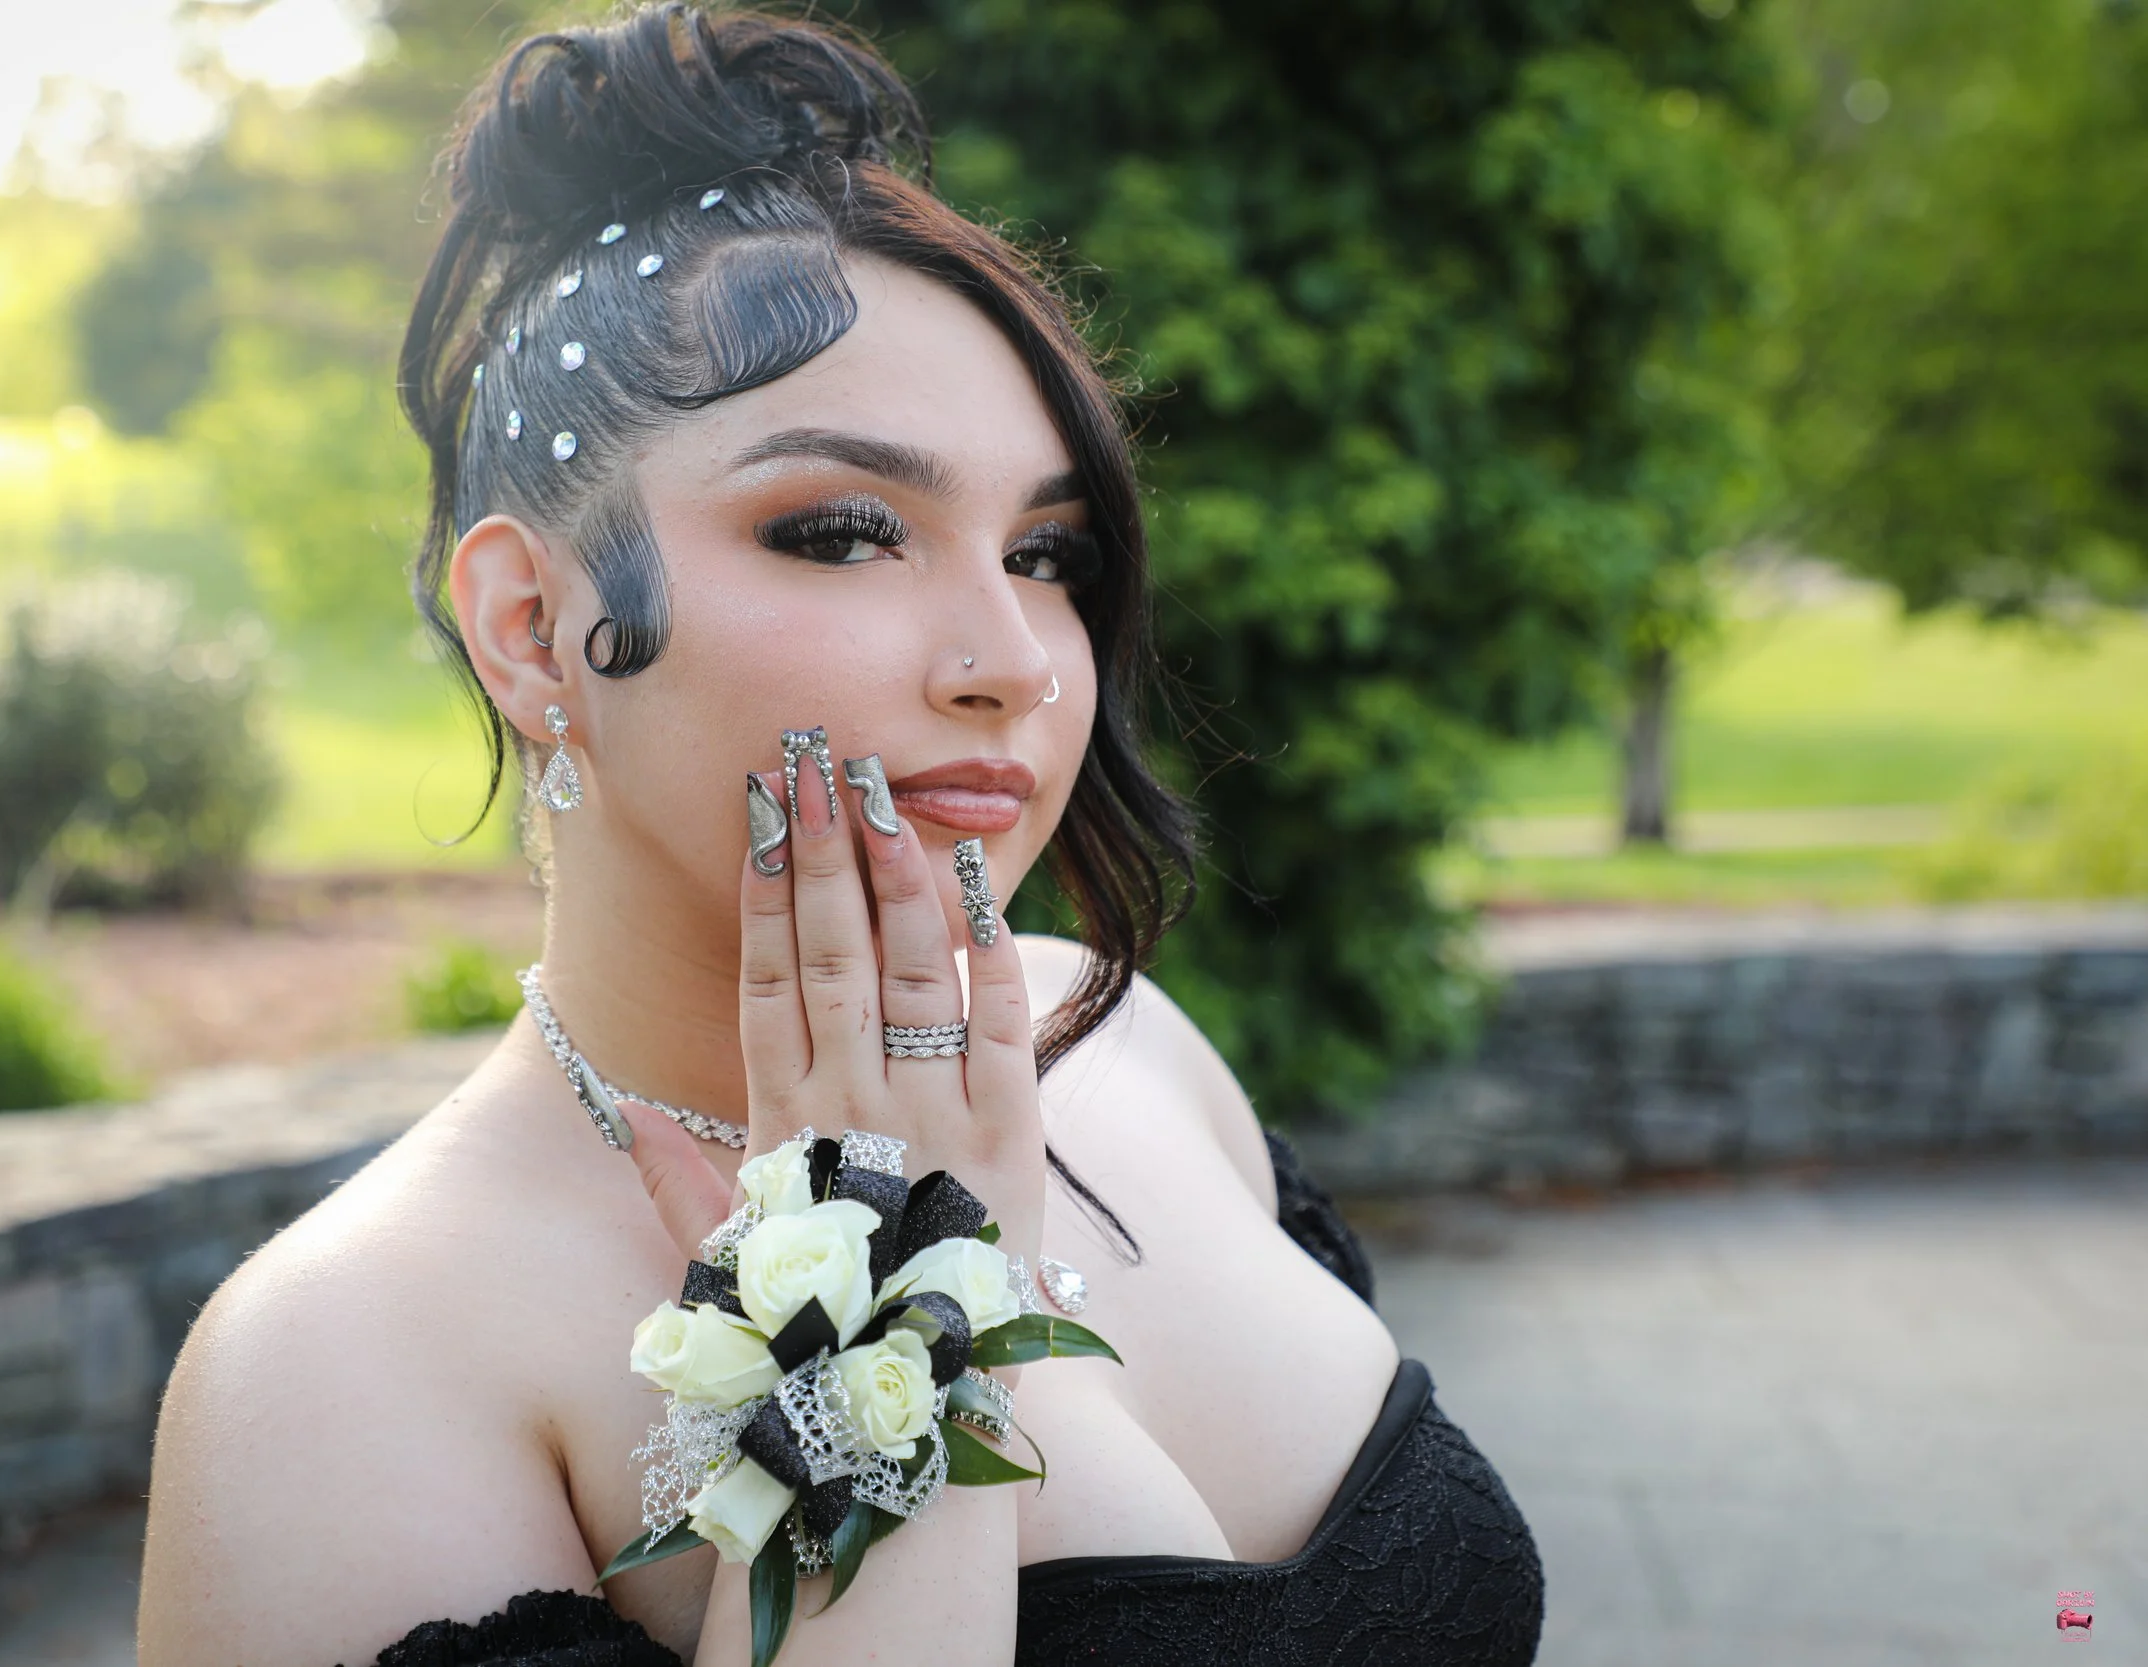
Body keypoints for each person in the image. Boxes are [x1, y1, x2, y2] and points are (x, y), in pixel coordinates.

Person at [133, 7, 1543, 1665]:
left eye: (1048, 554)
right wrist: (893, 1318)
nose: (1011, 662)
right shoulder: (344, 1364)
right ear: (529, 625)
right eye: (846, 530)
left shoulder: (1123, 1037)